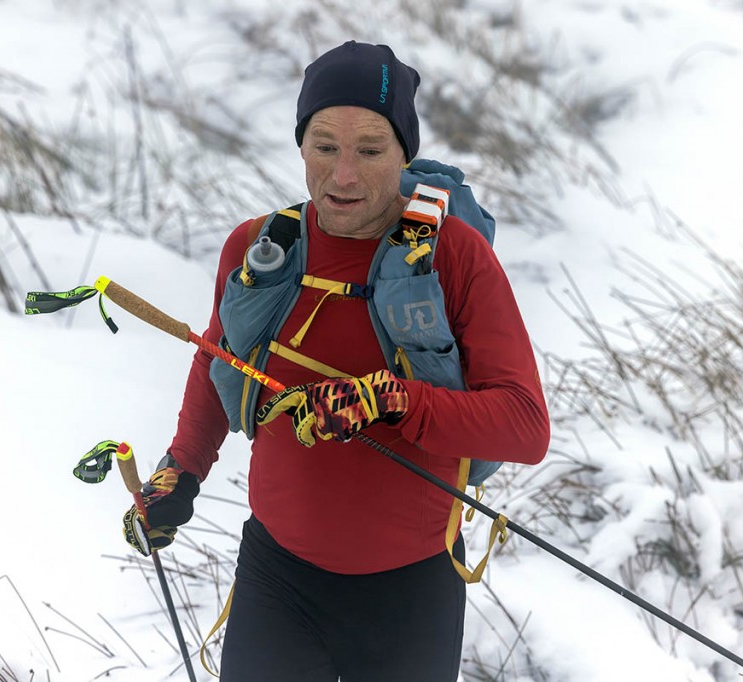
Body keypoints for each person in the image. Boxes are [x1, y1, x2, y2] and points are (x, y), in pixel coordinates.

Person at [121, 40, 551, 681]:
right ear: (301, 147)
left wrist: (394, 399)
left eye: (371, 150)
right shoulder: (259, 247)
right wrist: (180, 472)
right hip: (277, 579)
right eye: (324, 147)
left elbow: (524, 426)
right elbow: (220, 362)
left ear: (404, 153)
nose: (343, 176)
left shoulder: (455, 256)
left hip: (410, 594)